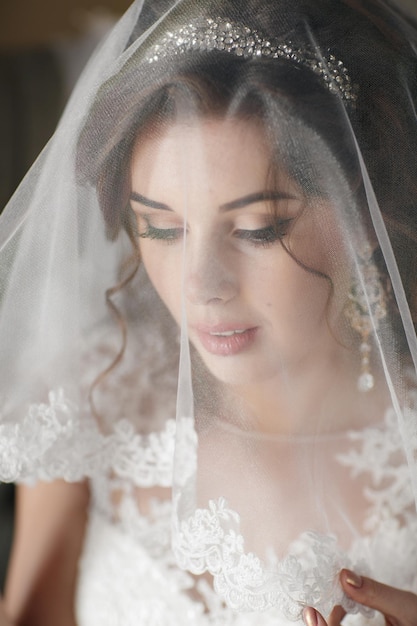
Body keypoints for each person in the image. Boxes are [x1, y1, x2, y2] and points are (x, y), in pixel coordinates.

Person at [0, 0, 417, 624]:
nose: (202, 286)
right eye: (161, 229)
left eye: (257, 229)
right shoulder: (96, 393)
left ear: (363, 215)